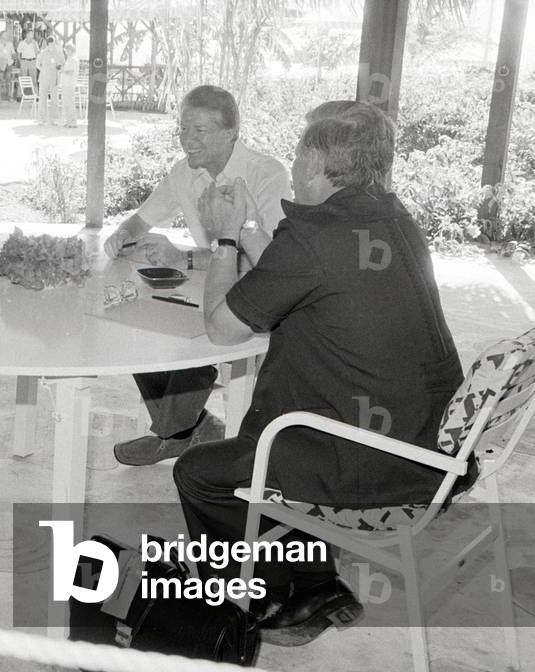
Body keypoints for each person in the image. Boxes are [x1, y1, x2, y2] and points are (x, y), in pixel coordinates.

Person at [173, 101, 463, 644]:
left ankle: (269, 596)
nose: (295, 163)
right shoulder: (391, 220)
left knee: (201, 472)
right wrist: (251, 226)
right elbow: (297, 271)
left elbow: (221, 328)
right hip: (420, 436)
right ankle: (315, 583)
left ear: (315, 164)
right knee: (286, 433)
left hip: (375, 457)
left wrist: (226, 242)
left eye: (299, 152)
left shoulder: (317, 238)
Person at [103, 85, 291, 465]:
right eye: (182, 129)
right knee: (135, 318)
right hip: (206, 285)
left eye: (199, 131)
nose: (187, 140)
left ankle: (172, 433)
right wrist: (125, 234)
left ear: (231, 133)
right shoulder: (183, 174)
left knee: (195, 339)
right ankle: (191, 426)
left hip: (258, 293)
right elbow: (144, 216)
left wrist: (185, 259)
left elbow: (273, 263)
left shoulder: (266, 174)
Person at [35, 37, 63, 125]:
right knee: (42, 99)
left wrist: (59, 69)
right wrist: (43, 70)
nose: (53, 45)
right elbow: (37, 64)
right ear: (48, 44)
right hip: (43, 78)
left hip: (54, 78)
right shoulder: (42, 53)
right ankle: (41, 119)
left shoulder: (59, 53)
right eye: (51, 43)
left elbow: (62, 64)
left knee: (55, 99)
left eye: (54, 43)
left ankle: (54, 119)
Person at [60, 44, 80, 128]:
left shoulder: (73, 59)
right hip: (66, 83)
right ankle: (68, 121)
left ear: (70, 50)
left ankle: (72, 122)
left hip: (69, 84)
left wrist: (62, 70)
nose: (65, 52)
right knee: (67, 103)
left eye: (66, 50)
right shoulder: (69, 59)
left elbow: (71, 72)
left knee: (70, 103)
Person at [0, 30, 16, 100]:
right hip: (0, 64)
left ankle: (9, 96)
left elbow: (13, 53)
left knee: (8, 80)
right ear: (1, 35)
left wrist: (14, 59)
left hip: (9, 63)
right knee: (0, 80)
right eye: (5, 34)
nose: (7, 36)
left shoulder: (10, 44)